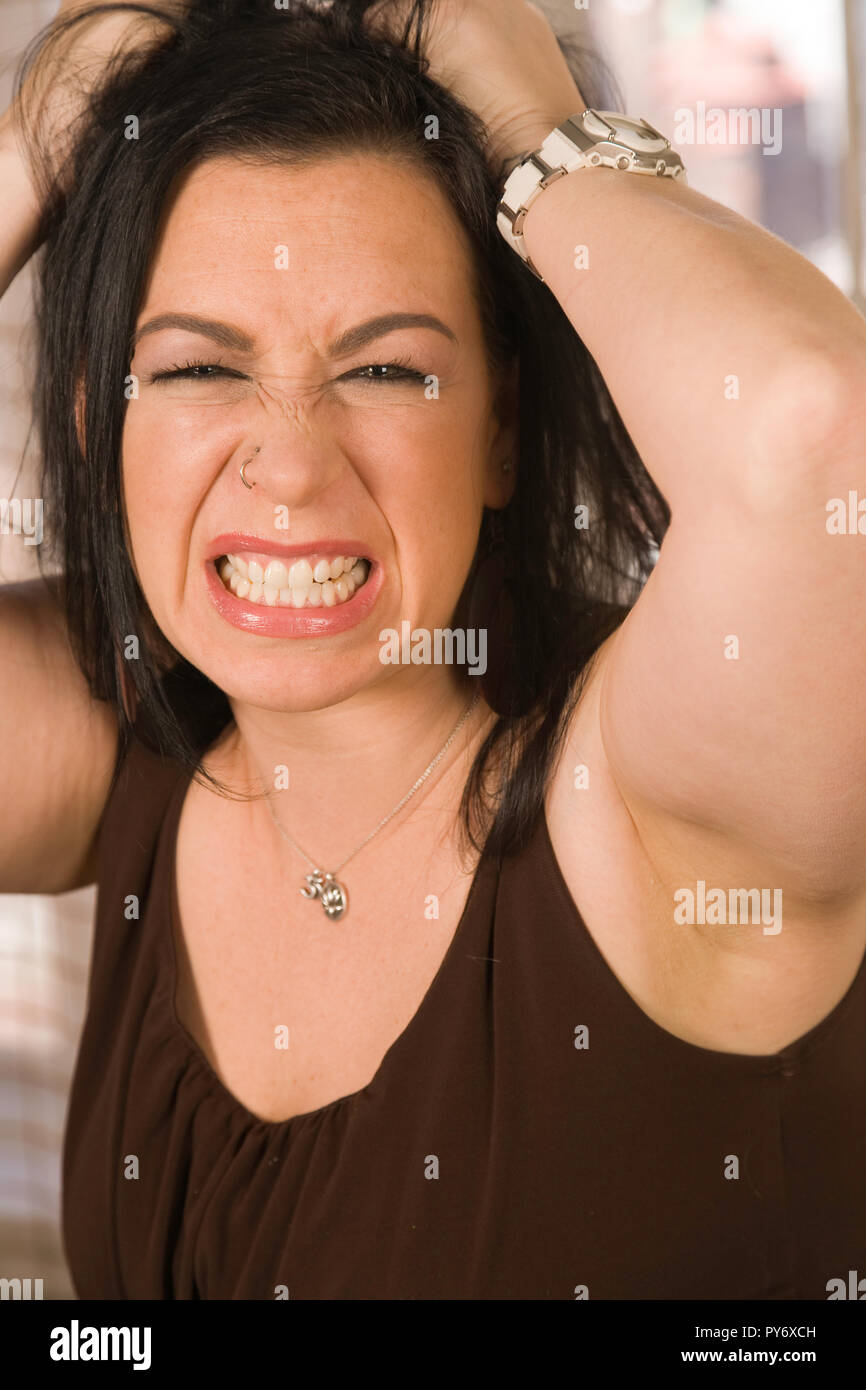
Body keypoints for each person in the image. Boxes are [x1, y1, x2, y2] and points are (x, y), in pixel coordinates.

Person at [1, 0, 864, 1300]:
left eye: (387, 372)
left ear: (504, 427)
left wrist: (537, 130)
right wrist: (29, 150)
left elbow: (816, 435)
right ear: (93, 422)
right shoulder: (119, 730)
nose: (288, 465)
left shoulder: (663, 813)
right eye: (195, 372)